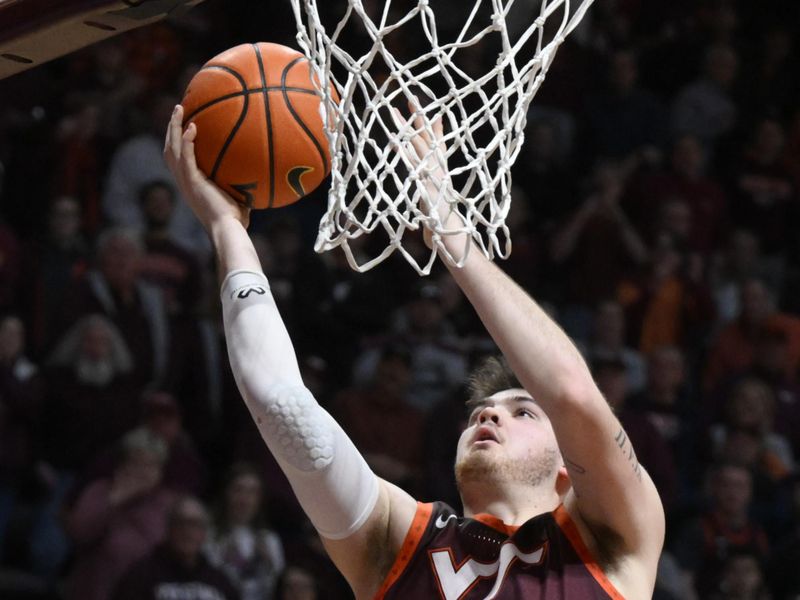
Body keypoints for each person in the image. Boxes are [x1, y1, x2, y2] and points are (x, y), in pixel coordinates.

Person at [165, 102, 664, 598]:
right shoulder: (399, 541)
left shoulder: (610, 540)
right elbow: (282, 406)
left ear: (566, 463)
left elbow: (572, 394)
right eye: (481, 411)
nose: (487, 415)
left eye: (524, 412)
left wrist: (452, 235)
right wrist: (227, 227)